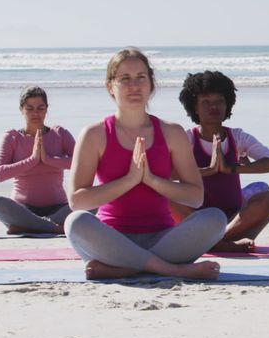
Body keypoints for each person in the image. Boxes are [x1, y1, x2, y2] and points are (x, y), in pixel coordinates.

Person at [64, 48, 226, 280]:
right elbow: (77, 201)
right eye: (125, 79)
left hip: (163, 239)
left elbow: (195, 196)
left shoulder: (172, 132)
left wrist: (151, 180)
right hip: (111, 240)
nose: (134, 86)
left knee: (215, 218)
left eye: (141, 78)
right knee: (76, 222)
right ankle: (170, 269)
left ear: (151, 84)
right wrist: (130, 180)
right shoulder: (94, 134)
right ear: (111, 86)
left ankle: (125, 268)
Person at [172, 70, 269, 252]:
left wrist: (231, 168)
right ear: (195, 107)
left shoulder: (237, 137)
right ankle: (219, 243)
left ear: (227, 104)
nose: (213, 107)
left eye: (219, 101)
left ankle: (216, 241)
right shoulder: (186, 139)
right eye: (206, 102)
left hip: (233, 219)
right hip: (197, 217)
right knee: (163, 194)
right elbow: (163, 173)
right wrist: (208, 170)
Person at [0, 86, 75, 234]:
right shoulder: (12, 137)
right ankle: (54, 228)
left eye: (40, 108)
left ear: (47, 108)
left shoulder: (59, 134)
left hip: (59, 209)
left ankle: (31, 226)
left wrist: (48, 159)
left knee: (97, 200)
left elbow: (82, 163)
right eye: (29, 108)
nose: (35, 113)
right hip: (24, 210)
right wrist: (32, 160)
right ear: (21, 109)